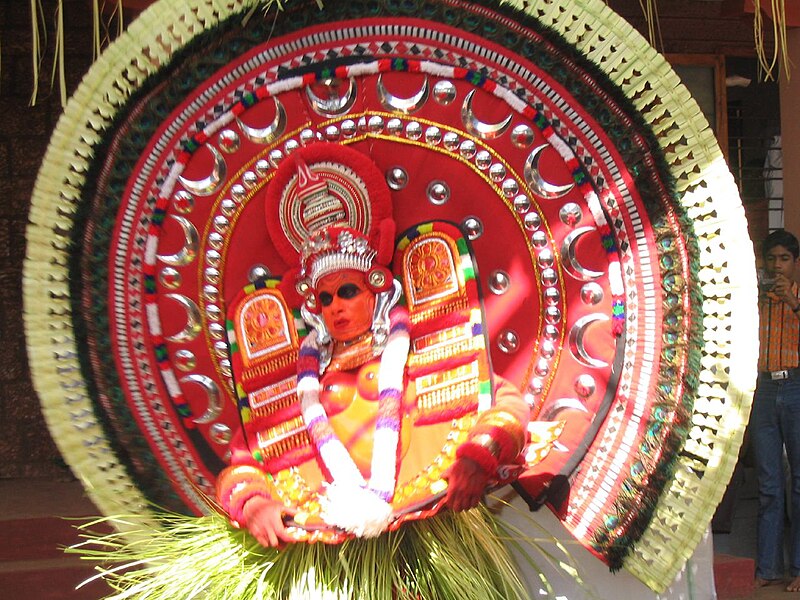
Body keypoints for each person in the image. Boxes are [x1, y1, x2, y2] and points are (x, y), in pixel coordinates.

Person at [215, 144, 559, 552]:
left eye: (346, 291)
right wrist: (254, 504)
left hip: (435, 528)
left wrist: (477, 456)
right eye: (325, 299)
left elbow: (507, 405)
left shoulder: (420, 349)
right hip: (332, 550)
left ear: (375, 289)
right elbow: (241, 463)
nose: (336, 306)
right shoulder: (300, 383)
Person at [753, 229, 800, 591]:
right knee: (769, 486)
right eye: (772, 258)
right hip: (763, 388)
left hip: (797, 385)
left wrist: (794, 304)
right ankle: (767, 568)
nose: (777, 265)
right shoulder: (754, 300)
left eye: (784, 258)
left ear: (795, 264)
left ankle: (798, 569)